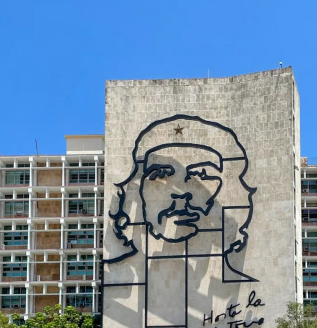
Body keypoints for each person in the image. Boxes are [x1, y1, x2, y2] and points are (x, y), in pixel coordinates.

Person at [103, 114, 259, 328]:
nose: (181, 193)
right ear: (135, 191)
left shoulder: (239, 284)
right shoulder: (118, 286)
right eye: (160, 175)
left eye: (201, 176)